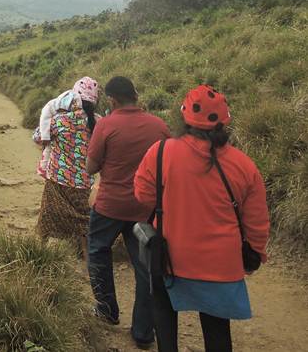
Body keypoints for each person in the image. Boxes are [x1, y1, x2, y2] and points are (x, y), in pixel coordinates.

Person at [134, 85, 270, 352]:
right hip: (221, 264)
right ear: (224, 121)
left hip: (170, 256)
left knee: (164, 314)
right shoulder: (244, 165)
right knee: (217, 330)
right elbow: (257, 221)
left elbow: (143, 196)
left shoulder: (161, 152)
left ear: (184, 117)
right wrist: (255, 254)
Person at [86, 76, 171, 347]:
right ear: (135, 95)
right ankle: (143, 331)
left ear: (112, 99)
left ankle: (107, 310)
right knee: (145, 267)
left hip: (110, 205)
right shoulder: (159, 126)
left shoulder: (107, 125)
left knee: (98, 251)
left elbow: (90, 167)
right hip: (144, 208)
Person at [36, 77, 98, 255]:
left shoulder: (60, 120)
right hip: (85, 182)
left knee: (48, 214)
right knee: (84, 219)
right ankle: (86, 255)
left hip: (58, 179)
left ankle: (40, 249)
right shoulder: (99, 122)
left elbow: (38, 137)